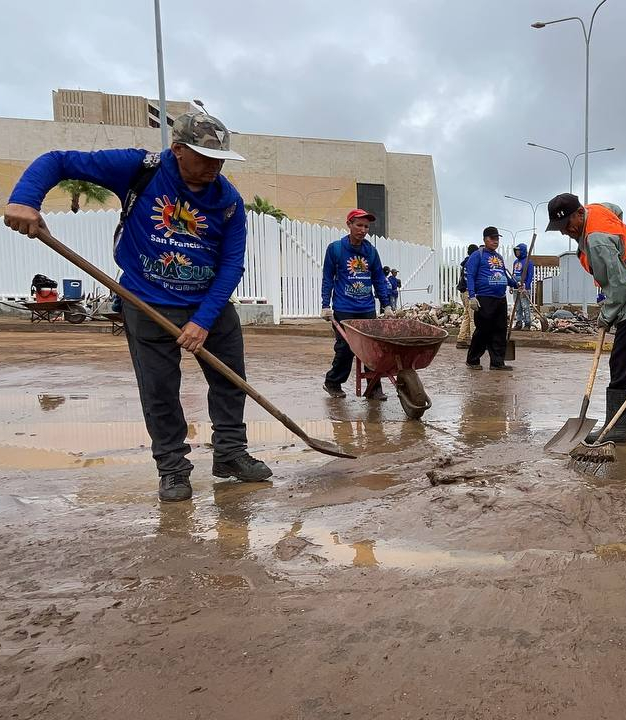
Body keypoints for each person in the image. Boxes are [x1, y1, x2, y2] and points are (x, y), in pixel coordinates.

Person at [3, 111, 272, 502]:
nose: (214, 167)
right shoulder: (138, 168)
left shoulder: (227, 200)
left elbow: (232, 264)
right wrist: (25, 200)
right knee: (160, 390)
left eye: (220, 159)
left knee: (230, 380)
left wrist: (203, 320)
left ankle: (230, 454)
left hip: (207, 302)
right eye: (203, 157)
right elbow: (57, 161)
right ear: (178, 150)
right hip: (146, 302)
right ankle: (173, 468)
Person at [546, 193, 626, 441]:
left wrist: (605, 317)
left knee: (622, 363)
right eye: (560, 228)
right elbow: (617, 210)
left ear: (580, 213)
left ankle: (617, 429)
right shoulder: (597, 210)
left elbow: (619, 286)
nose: (565, 232)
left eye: (568, 225)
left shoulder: (597, 241)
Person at [321, 209, 391, 400]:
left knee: (373, 349)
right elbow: (328, 278)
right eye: (359, 225)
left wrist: (386, 305)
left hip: (367, 308)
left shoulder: (371, 251)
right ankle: (333, 382)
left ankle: (374, 387)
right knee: (345, 349)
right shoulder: (335, 249)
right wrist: (325, 304)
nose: (363, 230)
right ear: (349, 224)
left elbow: (378, 278)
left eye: (366, 226)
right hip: (344, 308)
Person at [465, 226, 518, 370]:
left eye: (497, 239)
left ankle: (497, 362)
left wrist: (516, 284)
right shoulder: (478, 255)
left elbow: (504, 276)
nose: (495, 241)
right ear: (485, 239)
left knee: (500, 330)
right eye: (492, 238)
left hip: (500, 298)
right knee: (483, 330)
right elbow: (470, 275)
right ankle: (473, 360)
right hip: (484, 298)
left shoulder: (498, 257)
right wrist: (472, 296)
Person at [456, 243, 478, 349]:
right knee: (473, 317)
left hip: (463, 292)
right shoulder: (471, 262)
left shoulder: (466, 262)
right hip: (469, 292)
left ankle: (461, 339)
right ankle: (475, 342)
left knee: (467, 316)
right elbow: (469, 279)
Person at [511, 242, 535, 330]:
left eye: (518, 251)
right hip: (516, 288)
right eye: (516, 251)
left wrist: (526, 286)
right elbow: (513, 274)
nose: (517, 252)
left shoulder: (529, 262)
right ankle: (519, 323)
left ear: (523, 251)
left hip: (524, 288)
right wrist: (511, 285)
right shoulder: (515, 262)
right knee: (517, 306)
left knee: (525, 306)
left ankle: (528, 323)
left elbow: (530, 275)